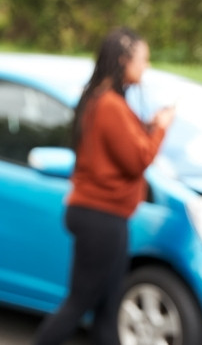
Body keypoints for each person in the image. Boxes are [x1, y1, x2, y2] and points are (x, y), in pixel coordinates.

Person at [35, 28, 175, 345]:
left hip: (107, 215)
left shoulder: (104, 100)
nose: (146, 67)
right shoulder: (108, 104)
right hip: (100, 216)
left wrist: (150, 127)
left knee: (108, 308)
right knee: (79, 303)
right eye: (143, 59)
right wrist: (162, 129)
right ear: (124, 60)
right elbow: (138, 159)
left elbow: (126, 145)